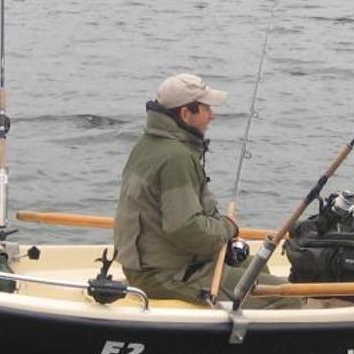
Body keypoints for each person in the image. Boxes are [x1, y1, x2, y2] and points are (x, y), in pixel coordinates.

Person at [113, 71, 287, 304]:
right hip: (165, 275)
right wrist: (227, 228)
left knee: (258, 269)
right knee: (283, 294)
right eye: (206, 109)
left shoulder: (147, 145)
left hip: (154, 264)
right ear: (186, 113)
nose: (212, 116)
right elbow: (185, 229)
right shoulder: (176, 158)